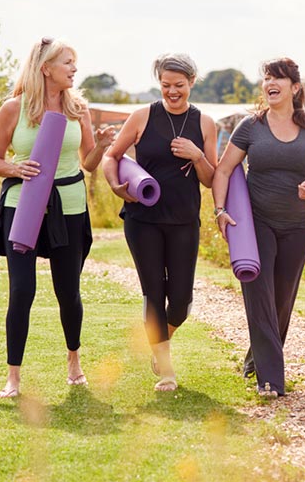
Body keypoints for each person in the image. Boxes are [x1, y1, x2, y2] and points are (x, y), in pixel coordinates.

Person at [0, 37, 115, 398]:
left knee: (68, 291)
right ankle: (13, 377)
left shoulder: (79, 109)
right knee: (22, 291)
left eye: (75, 62)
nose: (74, 69)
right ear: (46, 68)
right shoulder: (14, 109)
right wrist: (14, 166)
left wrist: (100, 146)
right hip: (22, 207)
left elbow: (87, 163)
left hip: (69, 205)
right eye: (68, 62)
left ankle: (74, 361)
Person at [212, 57, 305, 398]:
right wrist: (220, 210)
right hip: (257, 223)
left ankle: (257, 357)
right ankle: (271, 380)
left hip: (297, 225)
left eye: (277, 78)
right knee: (260, 294)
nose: (270, 82)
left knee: (282, 299)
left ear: (294, 88)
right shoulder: (251, 127)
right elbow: (223, 170)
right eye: (266, 77)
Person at [102, 53, 217, 392]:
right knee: (154, 293)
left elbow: (211, 179)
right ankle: (166, 370)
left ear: (192, 82)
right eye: (166, 85)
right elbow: (112, 156)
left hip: (184, 220)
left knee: (180, 301)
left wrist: (197, 155)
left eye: (179, 85)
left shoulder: (205, 123)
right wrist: (115, 186)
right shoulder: (141, 116)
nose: (172, 92)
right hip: (143, 219)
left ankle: (158, 340)